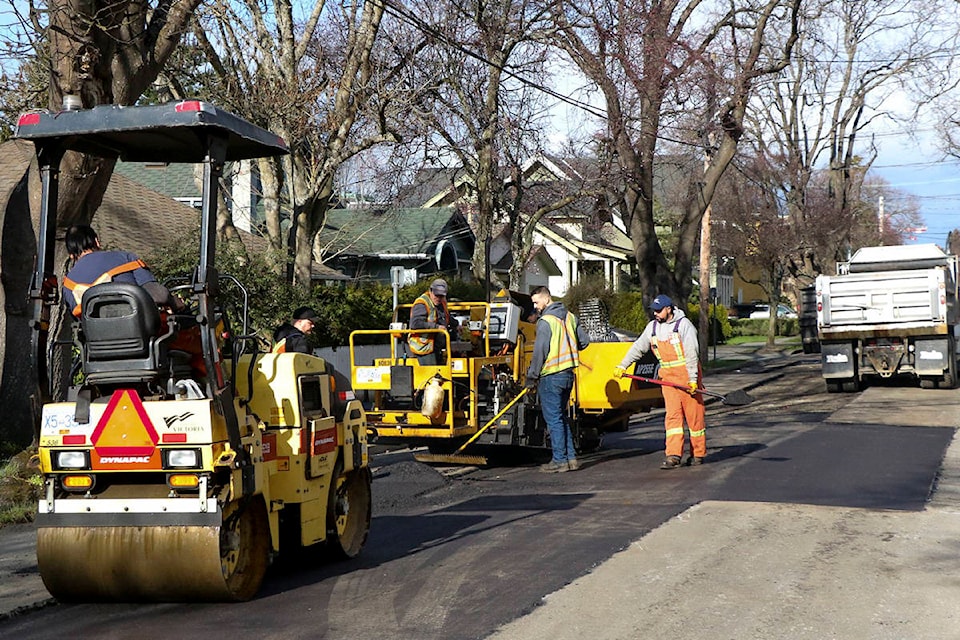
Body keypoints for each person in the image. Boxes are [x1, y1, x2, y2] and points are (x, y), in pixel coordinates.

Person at [614, 294, 706, 469]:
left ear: (669, 309)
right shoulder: (652, 328)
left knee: (694, 417)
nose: (655, 313)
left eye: (658, 310)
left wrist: (693, 380)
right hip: (668, 380)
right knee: (672, 418)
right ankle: (673, 455)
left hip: (687, 377)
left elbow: (692, 354)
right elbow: (638, 348)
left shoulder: (684, 326)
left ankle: (698, 453)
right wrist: (622, 365)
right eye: (654, 310)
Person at [525, 286, 590, 473]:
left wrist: (532, 376)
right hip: (568, 375)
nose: (535, 306)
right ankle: (571, 459)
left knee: (553, 419)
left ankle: (560, 460)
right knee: (561, 417)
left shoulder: (546, 321)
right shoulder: (570, 317)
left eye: (537, 302)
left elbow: (540, 352)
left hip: (551, 376)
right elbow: (584, 342)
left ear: (546, 299)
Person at [62, 224, 182, 317]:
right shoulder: (126, 259)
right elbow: (159, 295)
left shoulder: (68, 285)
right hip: (142, 337)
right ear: (97, 241)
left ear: (71, 255)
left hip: (97, 344)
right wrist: (175, 302)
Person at [408, 278, 457, 365]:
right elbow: (415, 323)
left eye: (441, 296)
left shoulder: (441, 303)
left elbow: (444, 317)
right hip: (424, 348)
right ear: (430, 291)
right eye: (436, 295)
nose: (438, 298)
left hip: (436, 346)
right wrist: (437, 327)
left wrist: (456, 325)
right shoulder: (422, 303)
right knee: (431, 375)